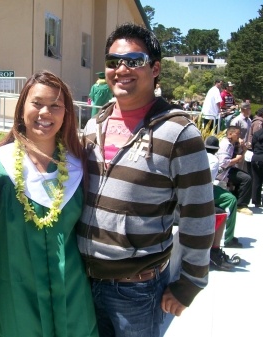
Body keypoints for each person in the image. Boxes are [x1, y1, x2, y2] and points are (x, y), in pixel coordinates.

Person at [78, 23, 215, 337]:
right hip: (83, 282)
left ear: (155, 68)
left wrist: (190, 282)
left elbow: (199, 213)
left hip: (135, 292)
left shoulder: (179, 132)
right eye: (113, 62)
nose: (121, 69)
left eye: (134, 61)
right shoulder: (94, 123)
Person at [0, 70, 98, 337]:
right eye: (36, 103)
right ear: (22, 107)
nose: (45, 112)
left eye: (56, 106)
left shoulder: (80, 166)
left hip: (72, 296)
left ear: (66, 114)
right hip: (16, 297)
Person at [205, 135, 242, 251]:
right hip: (206, 190)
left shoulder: (200, 156)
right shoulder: (214, 160)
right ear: (217, 149)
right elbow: (208, 180)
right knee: (231, 199)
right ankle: (228, 238)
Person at [216, 125, 253, 216]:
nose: (239, 136)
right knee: (246, 178)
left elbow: (239, 157)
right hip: (223, 172)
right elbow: (223, 163)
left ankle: (238, 200)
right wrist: (237, 159)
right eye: (237, 134)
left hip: (229, 169)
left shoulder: (232, 143)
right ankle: (241, 205)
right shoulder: (225, 145)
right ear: (230, 134)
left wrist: (243, 150)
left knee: (245, 176)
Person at [231, 102, 252, 172]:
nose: (251, 110)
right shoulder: (237, 120)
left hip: (246, 149)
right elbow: (230, 133)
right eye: (250, 109)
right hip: (237, 149)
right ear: (245, 109)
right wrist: (239, 139)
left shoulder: (249, 121)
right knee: (237, 169)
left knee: (245, 170)